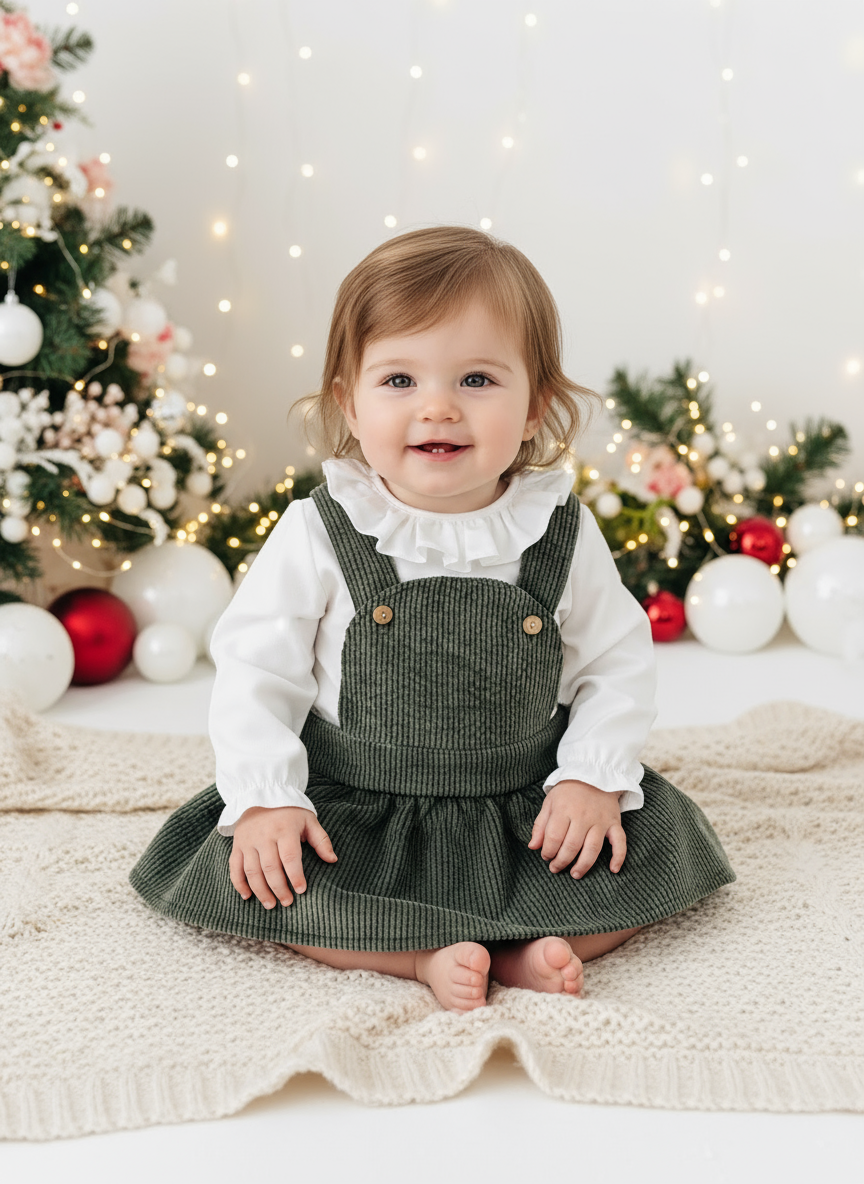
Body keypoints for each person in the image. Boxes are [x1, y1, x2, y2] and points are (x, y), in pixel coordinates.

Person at [130, 226, 734, 1013]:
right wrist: (269, 795)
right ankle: (415, 956)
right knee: (270, 885)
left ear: (536, 407)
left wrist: (590, 776)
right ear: (349, 401)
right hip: (361, 802)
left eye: (478, 378)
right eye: (400, 380)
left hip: (523, 804)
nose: (438, 407)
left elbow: (615, 665)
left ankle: (517, 952)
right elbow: (256, 671)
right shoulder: (321, 529)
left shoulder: (558, 529)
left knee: (650, 861)